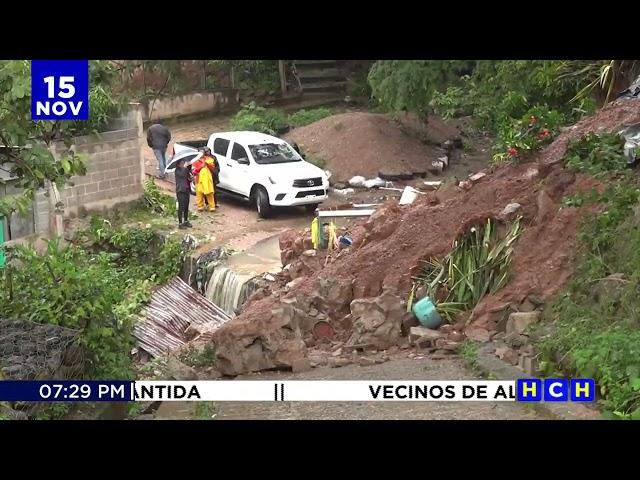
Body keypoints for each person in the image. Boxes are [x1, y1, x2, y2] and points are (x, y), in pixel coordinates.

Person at [192, 148, 217, 212]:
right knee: (199, 193)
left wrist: (208, 164)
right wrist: (201, 167)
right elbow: (194, 172)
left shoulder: (208, 159)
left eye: (202, 152)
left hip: (207, 180)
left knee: (209, 193)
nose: (201, 154)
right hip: (198, 179)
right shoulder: (195, 161)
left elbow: (213, 168)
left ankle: (212, 206)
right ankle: (200, 206)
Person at [174, 158, 192, 229]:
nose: (183, 164)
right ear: (178, 164)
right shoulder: (177, 171)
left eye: (183, 162)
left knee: (186, 206)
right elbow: (181, 175)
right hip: (180, 190)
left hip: (187, 189)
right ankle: (180, 223)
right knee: (181, 207)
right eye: (181, 163)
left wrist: (191, 178)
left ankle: (186, 220)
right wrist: (185, 167)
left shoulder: (186, 170)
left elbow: (188, 178)